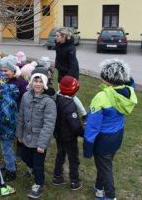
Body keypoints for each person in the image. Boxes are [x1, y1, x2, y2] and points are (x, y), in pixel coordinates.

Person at [84, 59, 137, 200]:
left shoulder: (101, 97)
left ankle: (110, 196)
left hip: (103, 140)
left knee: (105, 169)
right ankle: (98, 187)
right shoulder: (129, 92)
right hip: (117, 136)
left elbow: (92, 125)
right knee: (105, 164)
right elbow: (132, 84)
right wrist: (126, 77)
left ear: (106, 79)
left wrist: (88, 145)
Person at [16, 72, 57, 199]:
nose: (37, 84)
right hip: (26, 136)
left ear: (44, 84)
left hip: (39, 138)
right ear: (31, 82)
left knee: (38, 163)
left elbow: (49, 124)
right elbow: (21, 115)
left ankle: (39, 184)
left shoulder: (48, 102)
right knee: (24, 156)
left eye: (40, 82)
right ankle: (32, 169)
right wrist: (19, 133)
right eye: (35, 81)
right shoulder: (26, 96)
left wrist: (42, 144)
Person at [52, 76, 84, 191]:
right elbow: (75, 126)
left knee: (60, 154)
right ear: (73, 91)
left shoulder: (56, 98)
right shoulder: (69, 104)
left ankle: (57, 177)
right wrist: (83, 133)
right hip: (69, 137)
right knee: (73, 158)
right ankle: (75, 181)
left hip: (58, 134)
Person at [0, 72, 19, 182]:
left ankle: (11, 172)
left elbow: (6, 119)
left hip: (7, 131)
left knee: (7, 151)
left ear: (1, 88)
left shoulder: (5, 101)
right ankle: (10, 165)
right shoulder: (2, 96)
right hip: (4, 130)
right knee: (8, 150)